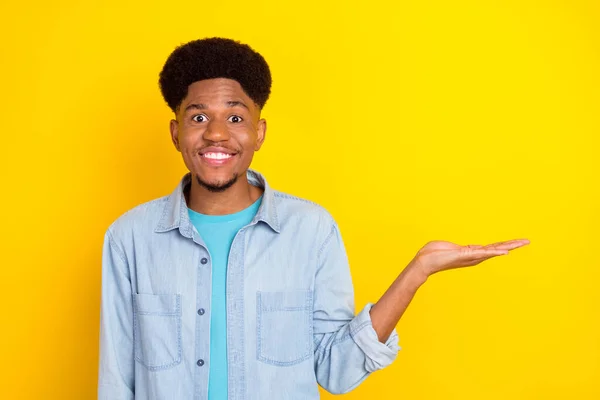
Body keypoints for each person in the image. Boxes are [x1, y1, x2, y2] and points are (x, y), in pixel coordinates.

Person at [97, 37, 530, 400]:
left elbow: (336, 370)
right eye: (198, 117)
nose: (215, 133)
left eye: (234, 116)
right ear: (176, 133)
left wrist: (417, 271)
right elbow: (116, 380)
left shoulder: (311, 230)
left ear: (259, 133)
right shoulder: (129, 237)